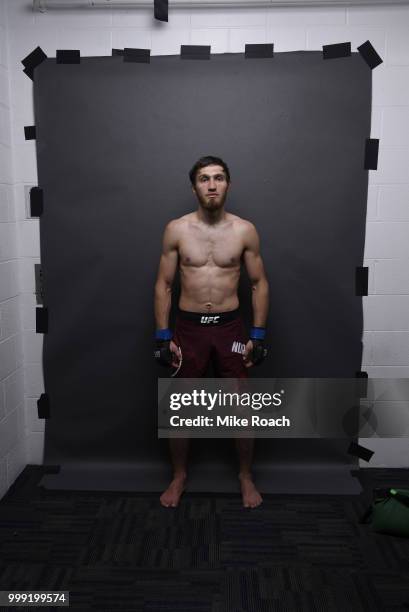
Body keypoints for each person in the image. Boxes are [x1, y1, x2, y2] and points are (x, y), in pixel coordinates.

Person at [154, 155, 269, 509]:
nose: (212, 185)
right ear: (194, 187)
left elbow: (259, 283)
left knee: (240, 407)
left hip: (230, 328)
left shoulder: (244, 230)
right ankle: (179, 476)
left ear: (228, 184)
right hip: (188, 330)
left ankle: (245, 476)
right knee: (181, 407)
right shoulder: (176, 229)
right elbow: (164, 285)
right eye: (204, 179)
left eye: (219, 178)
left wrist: (258, 335)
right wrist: (162, 337)